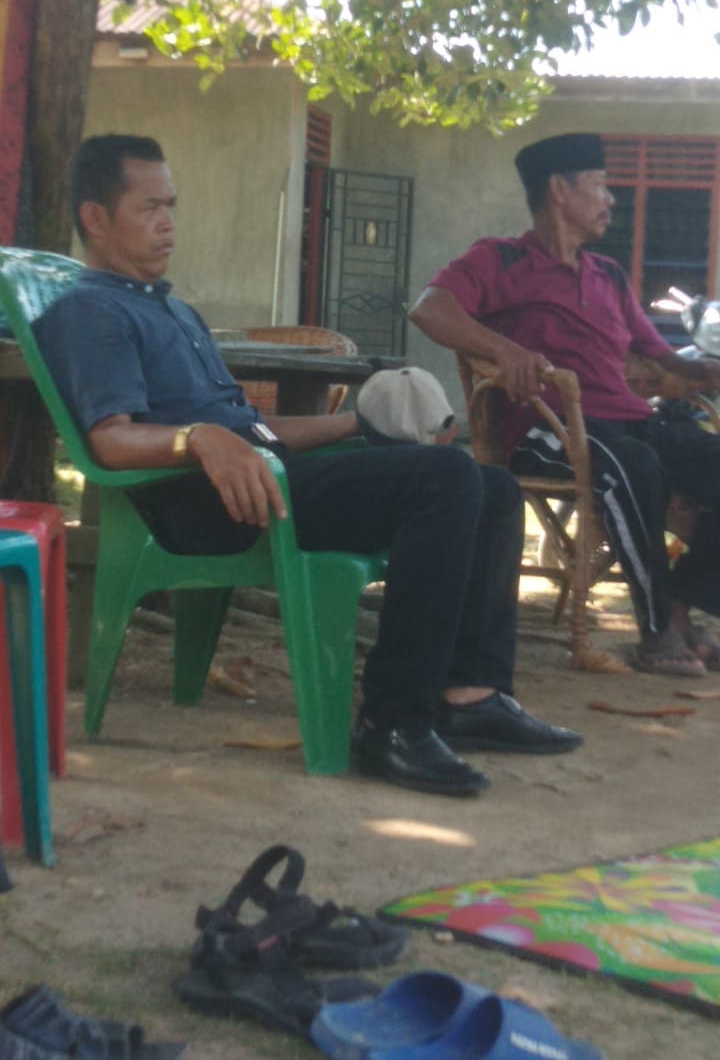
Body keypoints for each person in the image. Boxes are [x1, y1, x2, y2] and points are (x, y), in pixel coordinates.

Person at [34, 133, 582, 799]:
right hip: (202, 502)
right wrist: (197, 440)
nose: (168, 223)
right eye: (149, 208)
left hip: (258, 476)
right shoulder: (91, 311)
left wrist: (361, 424)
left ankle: (471, 694)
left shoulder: (172, 309)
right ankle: (392, 722)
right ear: (95, 219)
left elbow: (257, 432)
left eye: (170, 205)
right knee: (444, 481)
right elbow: (112, 441)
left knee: (490, 485)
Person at [410, 131, 720, 678]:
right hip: (546, 427)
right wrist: (505, 350)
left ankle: (678, 607)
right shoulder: (500, 259)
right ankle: (656, 635)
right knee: (632, 463)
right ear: (559, 189)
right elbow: (429, 310)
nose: (611, 200)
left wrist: (702, 370)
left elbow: (661, 356)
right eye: (600, 186)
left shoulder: (609, 275)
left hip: (630, 422)